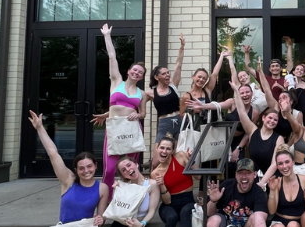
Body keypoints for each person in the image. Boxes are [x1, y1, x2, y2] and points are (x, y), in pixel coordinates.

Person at [189, 53, 260, 179]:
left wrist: (238, 148)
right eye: (241, 92)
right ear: (237, 94)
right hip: (223, 138)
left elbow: (248, 133)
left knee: (237, 163)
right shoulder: (232, 103)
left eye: (247, 92)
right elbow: (217, 105)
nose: (244, 95)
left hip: (238, 141)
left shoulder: (255, 112)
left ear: (251, 93)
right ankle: (216, 189)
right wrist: (203, 106)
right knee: (219, 164)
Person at [93, 23, 147, 189]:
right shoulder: (117, 82)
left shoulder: (142, 93)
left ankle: (130, 200)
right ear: (129, 71)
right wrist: (107, 36)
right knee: (110, 169)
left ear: (141, 77)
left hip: (132, 129)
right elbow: (112, 56)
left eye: (140, 72)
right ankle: (106, 202)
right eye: (135, 70)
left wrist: (137, 115)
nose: (136, 73)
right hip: (115, 128)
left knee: (131, 168)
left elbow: (143, 113)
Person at [206, 158, 273, 227]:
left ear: (255, 175)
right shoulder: (226, 186)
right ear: (236, 175)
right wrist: (213, 201)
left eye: (248, 173)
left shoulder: (259, 193)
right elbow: (209, 213)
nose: (244, 177)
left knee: (255, 217)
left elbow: (260, 220)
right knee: (212, 222)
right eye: (240, 173)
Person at [144, 33, 185, 170]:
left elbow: (178, 65)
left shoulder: (173, 86)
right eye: (164, 74)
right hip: (164, 125)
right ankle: (153, 189)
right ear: (157, 77)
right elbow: (133, 103)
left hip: (178, 123)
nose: (168, 75)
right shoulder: (150, 93)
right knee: (156, 161)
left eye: (168, 73)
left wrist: (182, 47)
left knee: (178, 156)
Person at [227, 79, 285, 174]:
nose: (272, 121)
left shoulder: (279, 138)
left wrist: (263, 182)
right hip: (254, 176)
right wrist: (236, 92)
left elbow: (275, 164)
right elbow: (241, 112)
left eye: (275, 120)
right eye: (270, 118)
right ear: (263, 118)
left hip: (271, 177)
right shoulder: (253, 131)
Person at [179, 48, 228, 125]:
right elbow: (182, 115)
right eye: (199, 77)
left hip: (208, 127)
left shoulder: (207, 90)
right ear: (193, 77)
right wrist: (193, 111)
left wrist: (221, 56)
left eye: (204, 78)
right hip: (195, 129)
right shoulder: (187, 96)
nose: (201, 79)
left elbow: (214, 74)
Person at [243, 36, 293, 101]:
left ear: (281, 68)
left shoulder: (285, 79)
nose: (275, 68)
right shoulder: (264, 78)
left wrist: (289, 46)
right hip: (267, 109)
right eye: (272, 66)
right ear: (269, 69)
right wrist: (246, 53)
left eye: (277, 66)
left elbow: (289, 63)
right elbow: (249, 68)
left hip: (282, 108)